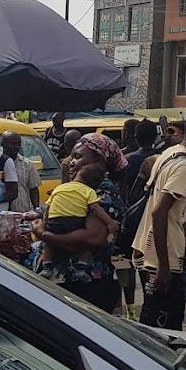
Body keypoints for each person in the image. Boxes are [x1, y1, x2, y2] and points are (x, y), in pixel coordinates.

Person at [134, 111, 186, 330]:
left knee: (152, 322)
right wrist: (164, 267)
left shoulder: (169, 153)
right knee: (166, 329)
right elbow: (159, 212)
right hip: (165, 256)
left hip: (149, 248)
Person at [34, 134, 128, 313]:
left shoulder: (102, 191)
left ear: (98, 160)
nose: (70, 161)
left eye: (78, 157)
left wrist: (43, 235)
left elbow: (92, 237)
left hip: (83, 287)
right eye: (71, 156)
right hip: (64, 285)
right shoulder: (74, 188)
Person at [1, 131, 41, 212]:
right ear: (3, 144)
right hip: (0, 213)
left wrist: (36, 208)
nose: (15, 147)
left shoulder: (27, 164)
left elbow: (33, 189)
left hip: (22, 213)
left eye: (18, 144)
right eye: (12, 144)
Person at [123, 119, 159, 204]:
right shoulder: (162, 158)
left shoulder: (127, 159)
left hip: (132, 205)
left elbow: (124, 187)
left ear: (136, 137)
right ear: (155, 137)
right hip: (154, 202)